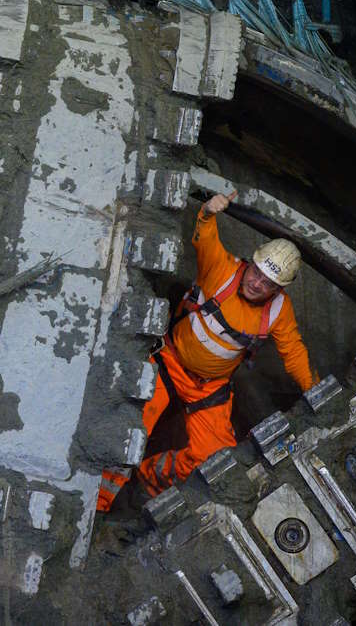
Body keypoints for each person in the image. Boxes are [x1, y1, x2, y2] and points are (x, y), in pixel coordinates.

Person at [98, 190, 316, 510]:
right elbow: (205, 238)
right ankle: (98, 504)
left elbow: (293, 351)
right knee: (126, 433)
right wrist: (208, 212)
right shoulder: (223, 270)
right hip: (169, 362)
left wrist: (315, 390)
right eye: (256, 272)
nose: (256, 283)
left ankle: (149, 481)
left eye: (267, 282)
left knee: (216, 462)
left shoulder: (278, 311)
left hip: (209, 388)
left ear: (279, 288)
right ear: (251, 262)